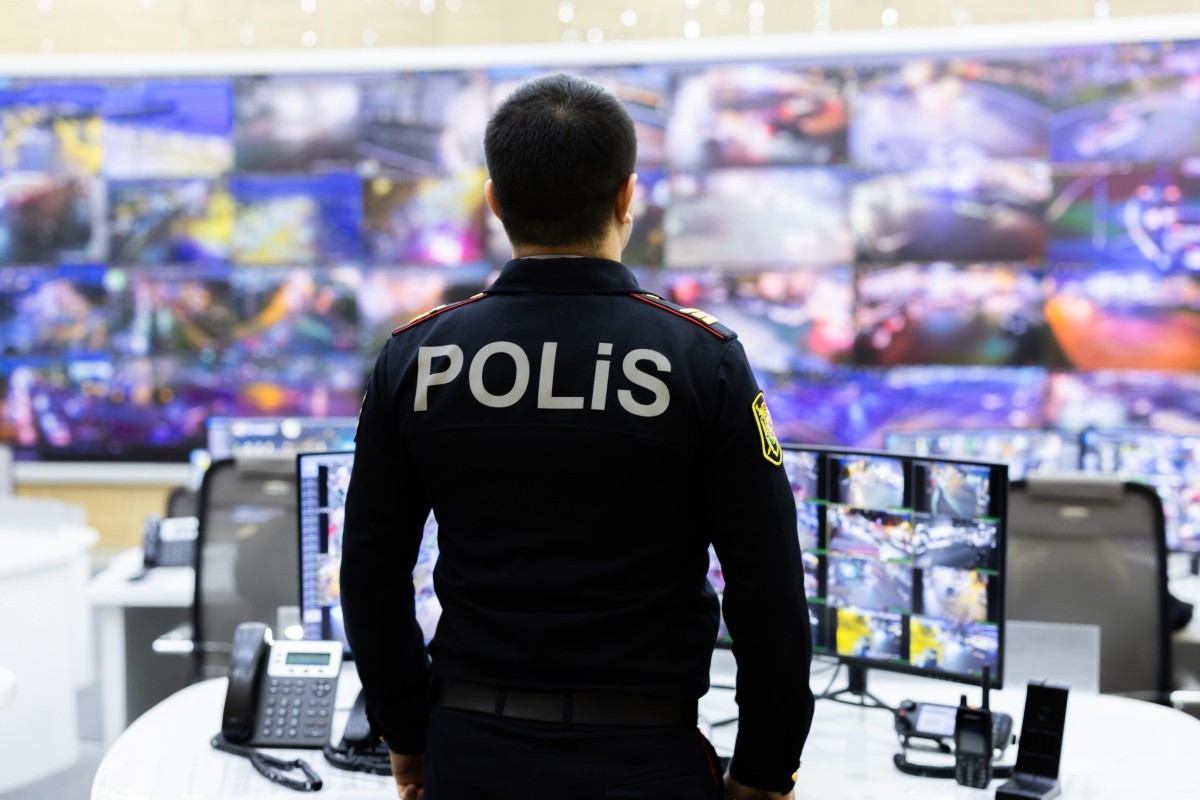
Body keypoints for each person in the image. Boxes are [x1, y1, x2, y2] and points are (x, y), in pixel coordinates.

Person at [341, 72, 813, 800]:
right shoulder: (703, 358)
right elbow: (768, 584)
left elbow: (371, 576)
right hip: (647, 764)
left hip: (471, 759)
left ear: (495, 202)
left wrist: (406, 733)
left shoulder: (416, 357)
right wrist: (764, 766)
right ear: (627, 197)